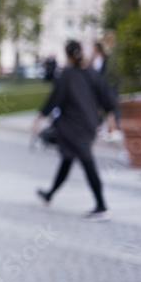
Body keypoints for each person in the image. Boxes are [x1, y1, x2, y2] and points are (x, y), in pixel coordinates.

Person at [32, 40, 117, 220]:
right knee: (67, 159)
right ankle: (49, 194)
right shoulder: (92, 73)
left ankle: (102, 205)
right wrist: (110, 117)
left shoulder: (67, 75)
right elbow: (106, 95)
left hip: (73, 126)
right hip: (89, 124)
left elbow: (54, 99)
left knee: (87, 162)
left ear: (67, 54)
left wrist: (39, 117)